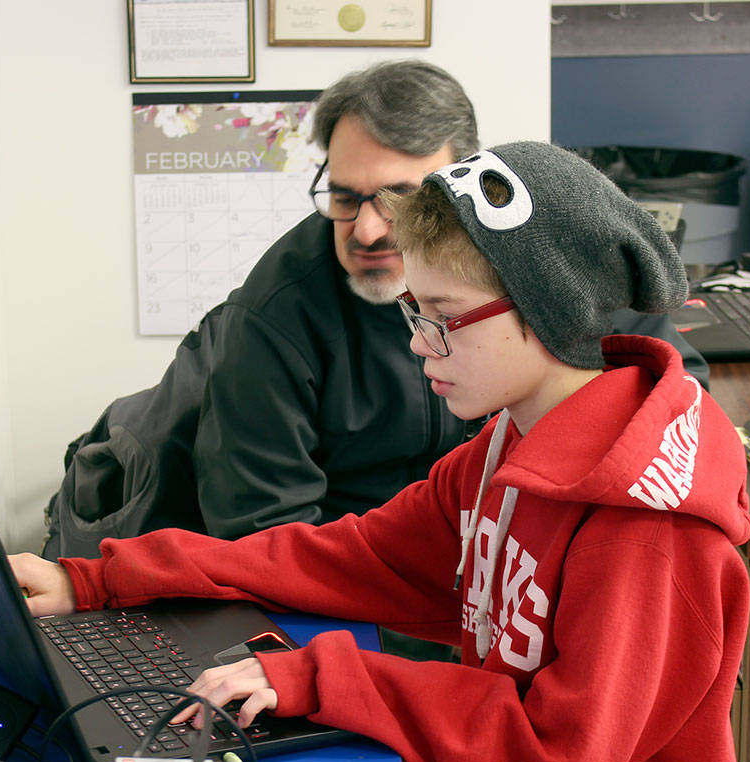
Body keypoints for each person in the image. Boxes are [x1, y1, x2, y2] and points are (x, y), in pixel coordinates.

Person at [12, 141, 750, 762]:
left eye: (444, 316)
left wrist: (323, 675)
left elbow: (558, 752)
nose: (419, 343)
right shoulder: (505, 447)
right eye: (412, 312)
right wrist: (103, 578)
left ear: (548, 308)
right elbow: (354, 555)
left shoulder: (647, 532)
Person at [189, 59, 709, 541]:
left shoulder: (555, 254)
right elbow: (263, 531)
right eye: (345, 198)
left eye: (398, 200)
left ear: (461, 181)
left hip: (529, 551)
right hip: (371, 581)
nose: (366, 231)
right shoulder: (273, 314)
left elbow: (676, 404)